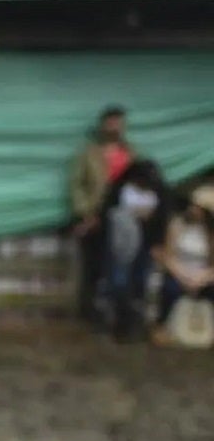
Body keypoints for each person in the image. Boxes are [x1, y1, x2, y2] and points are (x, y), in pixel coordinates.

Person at [71, 105, 136, 325]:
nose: (114, 126)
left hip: (124, 218)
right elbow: (77, 185)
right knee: (93, 267)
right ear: (102, 125)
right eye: (110, 122)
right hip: (94, 217)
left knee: (119, 266)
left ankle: (118, 314)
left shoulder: (131, 152)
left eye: (118, 122)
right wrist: (85, 213)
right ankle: (89, 315)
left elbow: (141, 183)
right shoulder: (88, 153)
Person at [98, 159, 170, 341]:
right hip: (120, 245)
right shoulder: (120, 189)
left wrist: (158, 242)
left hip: (146, 245)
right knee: (118, 283)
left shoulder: (159, 193)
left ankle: (135, 324)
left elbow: (162, 219)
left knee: (140, 283)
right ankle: (117, 321)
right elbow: (108, 213)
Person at [151, 185, 214, 340]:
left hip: (202, 274)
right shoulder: (177, 225)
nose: (193, 210)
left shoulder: (210, 234)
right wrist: (183, 276)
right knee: (170, 288)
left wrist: (202, 279)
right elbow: (168, 255)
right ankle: (162, 326)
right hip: (179, 271)